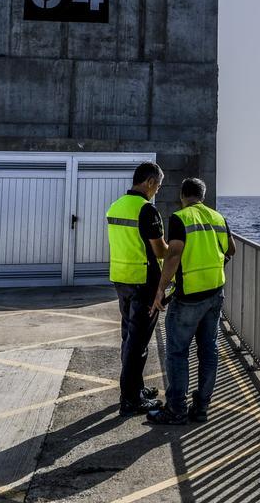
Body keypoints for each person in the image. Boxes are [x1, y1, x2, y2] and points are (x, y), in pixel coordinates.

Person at [147, 177, 235, 425]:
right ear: (203, 196)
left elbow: (173, 255)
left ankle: (176, 410)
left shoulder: (180, 218)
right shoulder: (218, 218)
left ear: (182, 195)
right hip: (215, 293)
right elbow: (231, 250)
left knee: (177, 353)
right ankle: (202, 408)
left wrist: (159, 291)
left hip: (188, 298)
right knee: (209, 351)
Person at [106, 161, 168, 415]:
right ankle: (131, 399)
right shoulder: (146, 210)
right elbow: (160, 250)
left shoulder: (116, 205)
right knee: (138, 343)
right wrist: (179, 250)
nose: (158, 191)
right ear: (150, 182)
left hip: (121, 278)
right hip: (143, 282)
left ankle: (135, 388)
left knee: (129, 338)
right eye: (159, 186)